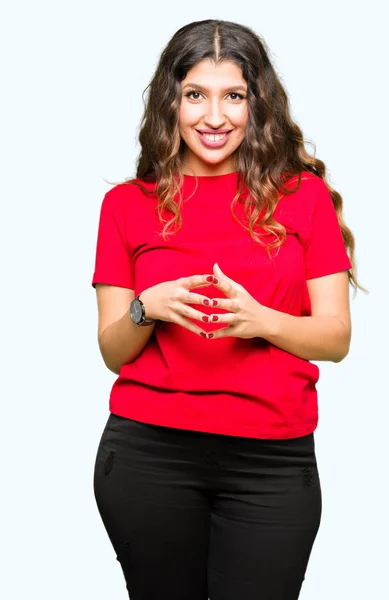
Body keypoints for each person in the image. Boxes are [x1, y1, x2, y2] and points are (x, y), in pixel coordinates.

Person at [91, 18, 367, 600]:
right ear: (171, 102)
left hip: (270, 463)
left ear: (256, 103)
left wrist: (258, 320)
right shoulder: (125, 206)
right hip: (148, 456)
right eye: (196, 94)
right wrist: (147, 307)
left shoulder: (303, 197)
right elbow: (114, 353)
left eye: (233, 96)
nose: (214, 117)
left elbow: (336, 337)